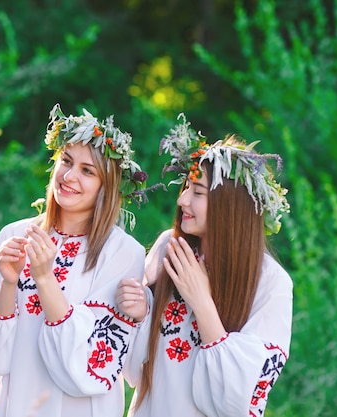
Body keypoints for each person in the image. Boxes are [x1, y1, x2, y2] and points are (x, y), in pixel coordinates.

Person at [0, 103, 149, 417]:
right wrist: (9, 284)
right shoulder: (16, 233)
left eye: (87, 170)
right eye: (66, 161)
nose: (69, 175)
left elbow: (95, 363)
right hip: (17, 403)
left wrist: (44, 277)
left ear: (107, 187)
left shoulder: (122, 252)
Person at [117, 115, 293, 417]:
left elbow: (243, 398)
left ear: (231, 207)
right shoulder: (168, 248)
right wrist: (139, 311)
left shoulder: (271, 283)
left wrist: (202, 302)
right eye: (186, 187)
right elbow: (133, 368)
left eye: (198, 192)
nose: (183, 199)